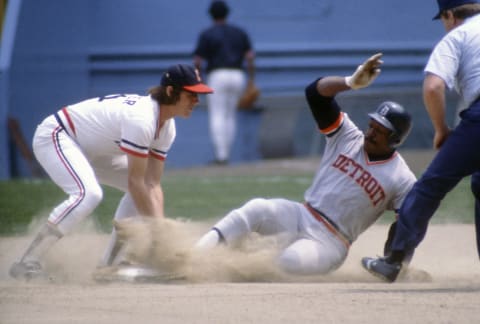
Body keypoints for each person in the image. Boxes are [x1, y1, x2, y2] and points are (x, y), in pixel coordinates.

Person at [194, 53, 417, 276]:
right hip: (301, 214)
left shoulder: (401, 177)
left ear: (395, 139)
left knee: (287, 263)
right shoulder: (348, 136)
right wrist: (349, 82)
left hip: (330, 242)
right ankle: (193, 259)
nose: (370, 133)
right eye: (372, 125)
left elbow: (405, 225)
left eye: (380, 131)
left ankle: (226, 269)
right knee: (255, 208)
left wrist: (396, 263)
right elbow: (315, 94)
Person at [9, 64, 213, 280]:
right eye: (191, 94)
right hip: (57, 135)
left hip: (91, 149)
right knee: (89, 194)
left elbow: (152, 183)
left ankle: (107, 266)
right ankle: (27, 262)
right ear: (171, 92)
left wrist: (159, 227)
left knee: (141, 191)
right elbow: (135, 183)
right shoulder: (142, 119)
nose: (197, 101)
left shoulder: (167, 128)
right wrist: (156, 231)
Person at [362, 0, 480, 282]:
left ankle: (394, 259)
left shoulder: (458, 36)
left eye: (442, 18)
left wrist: (441, 129)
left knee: (431, 185)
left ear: (450, 15)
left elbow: (434, 86)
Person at [193, 0, 255, 165]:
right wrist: (251, 80)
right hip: (238, 75)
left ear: (211, 15)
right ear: (227, 13)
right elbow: (250, 57)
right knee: (230, 115)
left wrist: (198, 80)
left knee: (217, 115)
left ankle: (222, 156)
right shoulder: (239, 32)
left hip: (217, 74)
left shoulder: (207, 34)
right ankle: (226, 153)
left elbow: (198, 60)